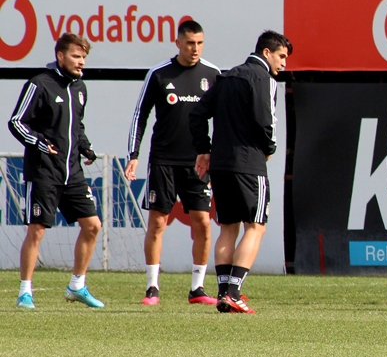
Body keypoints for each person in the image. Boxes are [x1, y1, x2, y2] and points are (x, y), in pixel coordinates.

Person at [190, 30, 291, 314]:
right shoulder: (264, 79)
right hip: (249, 164)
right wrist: (269, 147)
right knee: (255, 226)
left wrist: (204, 149)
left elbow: (197, 114)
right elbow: (266, 121)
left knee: (228, 227)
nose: (284, 63)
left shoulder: (226, 77)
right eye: (281, 56)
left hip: (221, 164)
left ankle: (224, 293)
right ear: (267, 52)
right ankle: (234, 293)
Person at [125, 20, 221, 306]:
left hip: (198, 163)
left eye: (200, 43)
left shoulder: (213, 75)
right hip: (163, 160)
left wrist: (216, 154)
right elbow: (140, 115)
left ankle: (197, 288)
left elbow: (223, 119)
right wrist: (133, 154)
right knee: (157, 223)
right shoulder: (159, 74)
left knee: (203, 223)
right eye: (190, 43)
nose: (195, 49)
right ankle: (152, 287)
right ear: (178, 43)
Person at [8, 33, 104, 309]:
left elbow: (76, 127)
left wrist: (86, 147)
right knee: (37, 230)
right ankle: (25, 292)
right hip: (43, 172)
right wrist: (39, 142)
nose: (81, 61)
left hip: (72, 172)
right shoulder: (39, 84)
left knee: (92, 225)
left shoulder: (80, 88)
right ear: (60, 56)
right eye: (76, 56)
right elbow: (16, 122)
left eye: (83, 57)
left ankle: (77, 286)